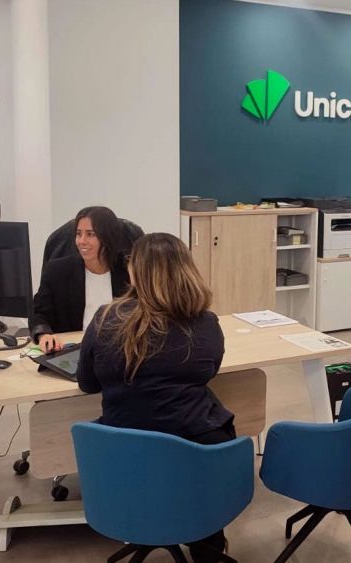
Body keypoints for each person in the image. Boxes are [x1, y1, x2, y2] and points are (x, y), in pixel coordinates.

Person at [77, 233, 233, 563]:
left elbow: (87, 383)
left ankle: (151, 520)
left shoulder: (105, 319)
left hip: (124, 453)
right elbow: (209, 372)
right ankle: (208, 548)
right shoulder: (206, 323)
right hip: (195, 453)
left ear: (136, 271)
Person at [29, 206, 131, 353]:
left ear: (108, 237)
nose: (81, 241)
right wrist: (43, 334)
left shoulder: (128, 271)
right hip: (74, 349)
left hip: (120, 349)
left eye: (90, 234)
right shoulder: (58, 270)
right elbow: (39, 313)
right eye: (78, 234)